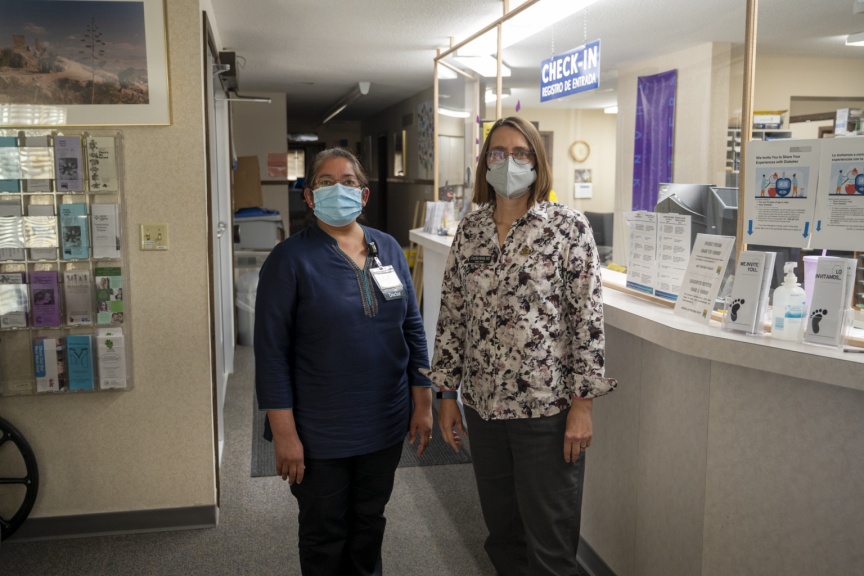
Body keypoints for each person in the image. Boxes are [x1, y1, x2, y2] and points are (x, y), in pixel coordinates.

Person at [425, 117, 617, 576]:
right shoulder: (470, 231)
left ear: (537, 161)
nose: (507, 161)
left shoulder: (568, 229)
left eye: (520, 153)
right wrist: (446, 396)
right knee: (502, 536)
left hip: (545, 414)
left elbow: (587, 323)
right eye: (497, 153)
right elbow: (452, 317)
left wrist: (582, 407)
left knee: (550, 543)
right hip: (484, 410)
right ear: (483, 162)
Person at [255, 148, 433, 576]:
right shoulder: (289, 259)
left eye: (349, 181)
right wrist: (284, 435)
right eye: (326, 181)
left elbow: (412, 327)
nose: (339, 188)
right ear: (310, 197)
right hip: (319, 431)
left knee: (369, 523)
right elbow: (271, 353)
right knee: (324, 533)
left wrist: (422, 403)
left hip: (384, 421)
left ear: (365, 194)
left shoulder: (387, 247)